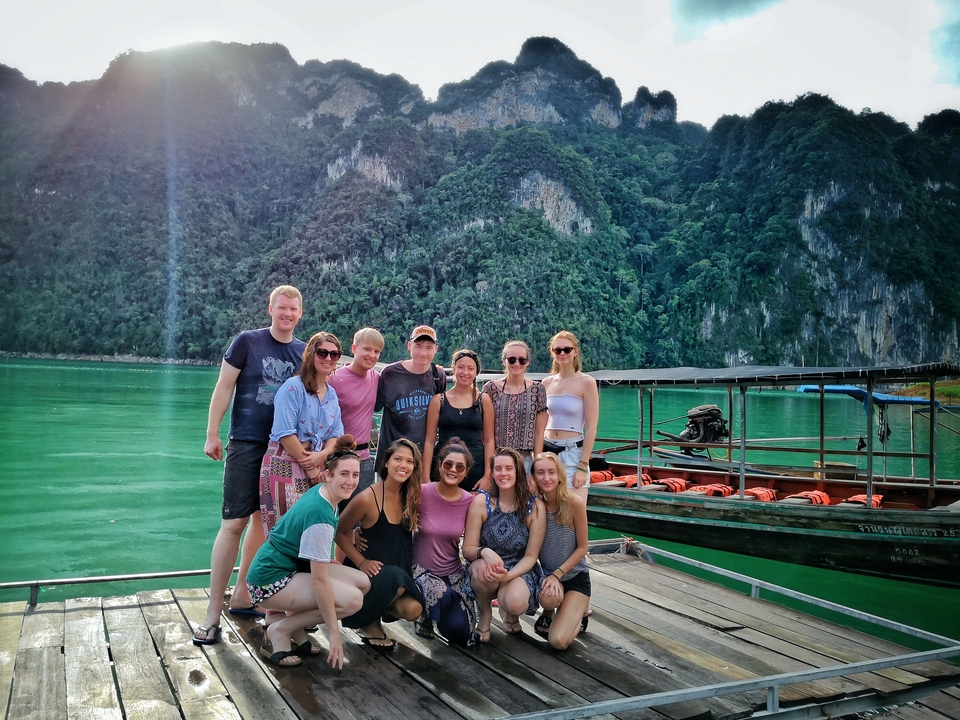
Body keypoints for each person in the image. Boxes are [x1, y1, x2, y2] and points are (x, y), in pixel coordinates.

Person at [193, 285, 307, 646]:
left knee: (265, 523)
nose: (287, 314)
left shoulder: (304, 352)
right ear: (270, 309)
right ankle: (212, 614)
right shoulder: (247, 342)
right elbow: (224, 387)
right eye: (282, 308)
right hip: (245, 442)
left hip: (283, 450)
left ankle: (243, 595)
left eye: (293, 309)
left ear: (300, 313)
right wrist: (212, 433)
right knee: (234, 523)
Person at [245, 435, 370, 669]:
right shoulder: (320, 515)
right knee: (352, 601)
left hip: (289, 568)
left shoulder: (324, 493)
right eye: (344, 474)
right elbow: (319, 582)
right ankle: (280, 631)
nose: (350, 482)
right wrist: (334, 633)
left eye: (355, 475)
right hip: (269, 581)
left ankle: (295, 626)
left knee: (362, 582)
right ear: (328, 475)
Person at [335, 438, 425, 649]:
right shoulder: (367, 498)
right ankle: (367, 620)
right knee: (394, 578)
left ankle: (375, 609)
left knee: (413, 610)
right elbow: (338, 531)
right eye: (398, 459)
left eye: (409, 461)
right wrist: (361, 562)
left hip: (397, 570)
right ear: (386, 462)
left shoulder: (411, 495)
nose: (403, 465)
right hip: (371, 572)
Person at [260, 332, 344, 534]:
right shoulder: (292, 388)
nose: (328, 359)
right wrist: (312, 469)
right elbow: (285, 433)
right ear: (310, 355)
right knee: (286, 528)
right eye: (322, 353)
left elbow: (336, 433)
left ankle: (308, 567)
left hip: (317, 463)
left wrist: (323, 456)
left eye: (334, 354)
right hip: (285, 463)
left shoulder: (331, 394)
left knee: (312, 527)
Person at [463, 448, 545, 642]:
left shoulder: (535, 506)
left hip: (519, 567)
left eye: (509, 468)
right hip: (488, 565)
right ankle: (485, 613)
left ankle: (510, 611)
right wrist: (485, 551)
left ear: (518, 471)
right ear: (491, 473)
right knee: (483, 570)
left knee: (515, 602)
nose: (503, 473)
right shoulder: (482, 502)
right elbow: (467, 549)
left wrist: (509, 575)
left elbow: (531, 556)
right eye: (498, 468)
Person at [411, 438, 478, 645]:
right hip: (421, 569)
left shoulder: (471, 501)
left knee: (462, 633)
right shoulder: (421, 492)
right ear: (439, 465)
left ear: (466, 472)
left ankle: (440, 616)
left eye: (460, 467)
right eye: (448, 464)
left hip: (452, 571)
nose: (453, 470)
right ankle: (425, 616)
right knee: (442, 595)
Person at [531, 452, 590, 650]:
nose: (546, 478)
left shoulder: (574, 503)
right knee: (548, 598)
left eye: (551, 472)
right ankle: (549, 611)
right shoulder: (534, 506)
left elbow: (583, 548)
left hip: (574, 577)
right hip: (548, 577)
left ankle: (579, 615)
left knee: (558, 641)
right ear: (534, 476)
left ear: (560, 476)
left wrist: (558, 574)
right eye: (540, 473)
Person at [374, 324, 445, 474]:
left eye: (428, 347)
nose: (423, 352)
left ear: (436, 349)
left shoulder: (439, 376)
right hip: (391, 457)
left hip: (421, 460)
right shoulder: (390, 374)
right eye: (418, 346)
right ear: (409, 346)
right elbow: (372, 406)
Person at [422, 349, 494, 491]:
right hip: (443, 466)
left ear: (476, 372)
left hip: (474, 469)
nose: (465, 372)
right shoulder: (439, 400)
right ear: (454, 369)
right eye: (460, 367)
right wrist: (425, 477)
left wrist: (487, 476)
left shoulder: (483, 400)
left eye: (470, 369)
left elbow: (489, 440)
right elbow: (429, 441)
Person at [541, 331, 600, 504]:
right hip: (548, 451)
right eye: (557, 350)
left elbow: (591, 428)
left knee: (574, 510)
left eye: (567, 349)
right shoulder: (546, 383)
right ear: (552, 353)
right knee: (547, 509)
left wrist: (582, 466)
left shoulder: (586, 382)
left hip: (572, 452)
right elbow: (541, 423)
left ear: (575, 352)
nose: (562, 354)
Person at [330, 327, 384, 510]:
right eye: (367, 349)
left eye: (376, 352)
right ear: (354, 349)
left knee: (357, 519)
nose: (372, 355)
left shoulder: (377, 378)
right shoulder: (334, 379)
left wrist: (435, 369)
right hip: (335, 457)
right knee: (327, 514)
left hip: (363, 459)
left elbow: (403, 372)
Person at [481, 340, 547, 478]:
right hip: (498, 459)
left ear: (528, 362)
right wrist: (489, 466)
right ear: (504, 361)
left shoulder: (538, 390)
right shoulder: (490, 388)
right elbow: (486, 432)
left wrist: (537, 465)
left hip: (525, 460)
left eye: (522, 360)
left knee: (525, 499)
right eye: (512, 360)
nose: (517, 364)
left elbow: (539, 433)